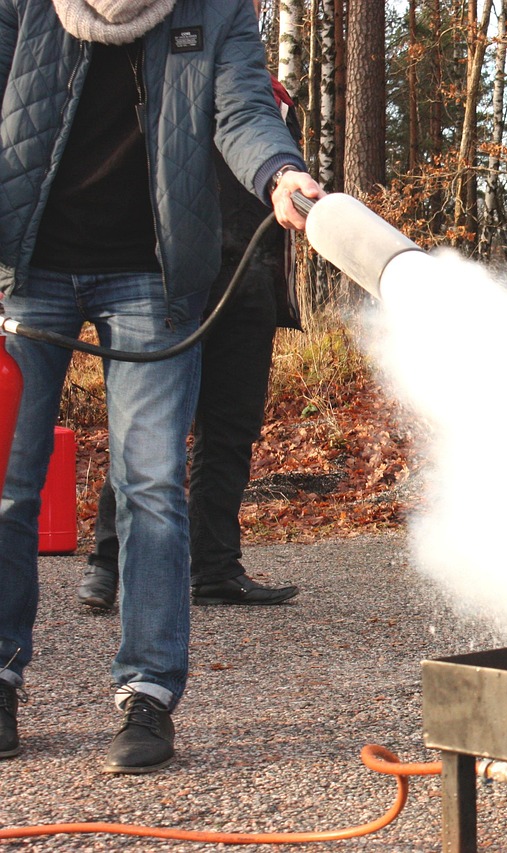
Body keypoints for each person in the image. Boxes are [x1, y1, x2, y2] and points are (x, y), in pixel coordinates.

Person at [0, 0, 323, 773]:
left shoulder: (216, 10)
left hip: (152, 274)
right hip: (26, 268)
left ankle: (146, 692)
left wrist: (281, 173)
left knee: (148, 482)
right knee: (8, 482)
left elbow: (243, 110)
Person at [77, 71, 304, 610]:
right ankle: (107, 564)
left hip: (251, 281)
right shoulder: (172, 79)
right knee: (149, 426)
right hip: (174, 283)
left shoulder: (274, 98)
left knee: (229, 432)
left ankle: (216, 569)